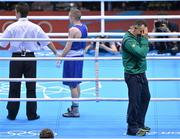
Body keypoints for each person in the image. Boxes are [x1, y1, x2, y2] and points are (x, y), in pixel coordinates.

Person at [0, 2, 59, 120]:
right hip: (30, 59)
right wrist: (57, 53)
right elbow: (47, 41)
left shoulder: (11, 27)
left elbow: (3, 43)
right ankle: (31, 115)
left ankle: (12, 114)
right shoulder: (35, 27)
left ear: (17, 13)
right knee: (31, 87)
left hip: (16, 59)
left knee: (14, 86)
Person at [121, 20, 151, 136]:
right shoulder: (128, 40)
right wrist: (144, 39)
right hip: (132, 75)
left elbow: (144, 50)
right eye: (141, 31)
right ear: (134, 28)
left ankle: (140, 123)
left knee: (145, 97)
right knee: (135, 101)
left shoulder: (137, 36)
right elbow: (142, 53)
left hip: (141, 73)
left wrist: (143, 40)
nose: (143, 33)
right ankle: (132, 127)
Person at [59, 8, 88, 117]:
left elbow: (67, 46)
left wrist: (61, 57)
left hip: (72, 58)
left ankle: (75, 110)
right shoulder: (85, 27)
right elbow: (84, 43)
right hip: (80, 57)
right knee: (76, 83)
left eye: (69, 16)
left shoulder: (73, 30)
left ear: (72, 17)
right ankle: (75, 107)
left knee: (72, 85)